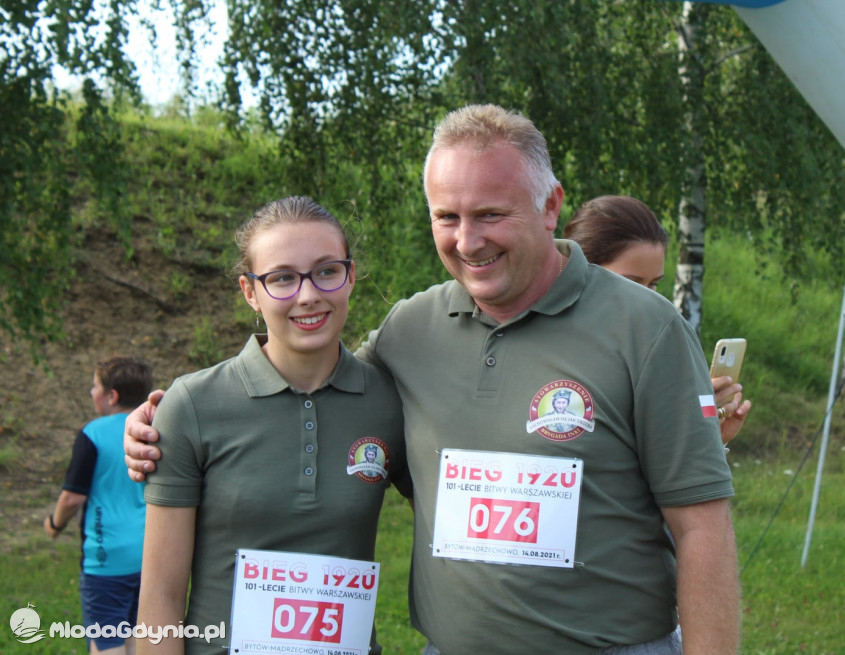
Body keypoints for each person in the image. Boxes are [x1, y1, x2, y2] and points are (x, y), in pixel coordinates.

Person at [126, 106, 740, 654]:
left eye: (491, 214)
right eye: (447, 216)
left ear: (550, 205)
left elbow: (702, 524)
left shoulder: (647, 328)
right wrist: (162, 422)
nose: (467, 241)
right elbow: (317, 383)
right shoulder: (411, 330)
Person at [136, 196, 409, 654]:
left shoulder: (391, 400)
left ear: (351, 276)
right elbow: (161, 598)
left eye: (326, 270)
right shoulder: (193, 404)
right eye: (282, 277)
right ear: (250, 292)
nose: (308, 294)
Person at [564, 194, 753, 444]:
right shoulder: (541, 349)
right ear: (580, 270)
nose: (647, 299)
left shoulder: (658, 355)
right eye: (630, 284)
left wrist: (708, 438)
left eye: (653, 284)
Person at [45, 356, 153, 655]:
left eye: (95, 387)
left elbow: (72, 497)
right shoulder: (154, 430)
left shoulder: (93, 433)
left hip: (107, 561)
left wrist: (54, 525)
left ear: (111, 395)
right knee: (135, 639)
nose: (92, 393)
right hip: (150, 554)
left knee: (106, 644)